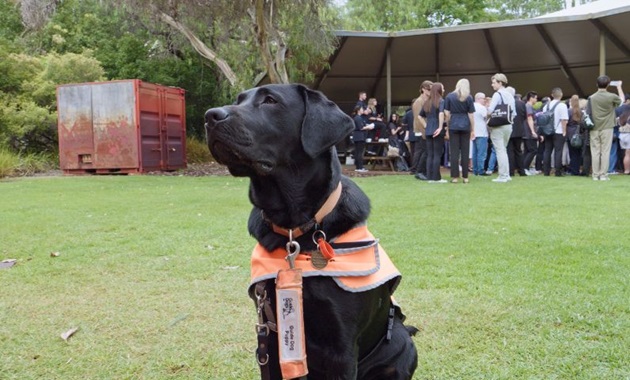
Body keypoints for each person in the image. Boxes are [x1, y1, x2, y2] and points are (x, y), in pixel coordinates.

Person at [587, 76, 624, 181]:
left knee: (595, 151)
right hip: (607, 127)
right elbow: (621, 101)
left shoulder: (591, 97)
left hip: (594, 127)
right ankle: (603, 175)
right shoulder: (611, 96)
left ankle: (595, 174)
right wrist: (619, 87)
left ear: (596, 84)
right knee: (605, 151)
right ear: (608, 85)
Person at [444, 78, 475, 183]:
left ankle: (455, 177)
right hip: (465, 125)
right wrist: (473, 129)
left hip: (453, 125)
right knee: (465, 152)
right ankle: (465, 177)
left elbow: (447, 114)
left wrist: (447, 126)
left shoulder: (449, 96)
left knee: (454, 152)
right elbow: (471, 115)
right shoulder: (469, 98)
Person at [487, 73, 515, 183]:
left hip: (498, 126)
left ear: (500, 83)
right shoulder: (510, 95)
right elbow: (514, 113)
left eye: (494, 82)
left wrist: (487, 113)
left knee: (500, 150)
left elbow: (490, 110)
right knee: (503, 149)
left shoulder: (497, 94)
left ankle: (503, 175)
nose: (492, 85)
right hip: (508, 125)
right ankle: (506, 174)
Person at [420, 82, 447, 183]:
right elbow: (441, 114)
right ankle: (436, 178)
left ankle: (430, 177)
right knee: (437, 154)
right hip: (437, 130)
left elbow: (419, 116)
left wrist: (426, 126)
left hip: (428, 131)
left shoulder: (427, 102)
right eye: (442, 88)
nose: (444, 90)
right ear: (439, 90)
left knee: (430, 154)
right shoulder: (441, 101)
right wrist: (440, 127)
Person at [541, 87, 569, 177]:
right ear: (561, 95)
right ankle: (558, 171)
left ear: (552, 95)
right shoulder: (562, 105)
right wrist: (564, 131)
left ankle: (546, 171)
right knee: (558, 151)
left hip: (547, 131)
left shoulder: (546, 106)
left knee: (547, 151)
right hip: (559, 131)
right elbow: (563, 120)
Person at [411, 81, 433, 180]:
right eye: (429, 89)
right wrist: (425, 132)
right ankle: (419, 171)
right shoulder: (418, 102)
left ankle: (421, 171)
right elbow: (418, 118)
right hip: (421, 131)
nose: (430, 91)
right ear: (423, 89)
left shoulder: (428, 100)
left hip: (426, 129)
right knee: (423, 152)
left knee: (424, 151)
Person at [508, 86, 527, 176]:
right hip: (519, 130)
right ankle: (521, 171)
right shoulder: (521, 104)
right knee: (519, 151)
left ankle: (511, 171)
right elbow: (524, 117)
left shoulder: (505, 103)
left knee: (509, 151)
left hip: (508, 129)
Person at [351, 105, 374, 173]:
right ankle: (359, 167)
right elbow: (361, 127)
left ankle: (359, 166)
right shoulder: (358, 118)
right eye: (361, 109)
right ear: (358, 110)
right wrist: (369, 127)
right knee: (359, 152)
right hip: (359, 136)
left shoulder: (358, 118)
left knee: (358, 152)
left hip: (358, 136)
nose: (362, 110)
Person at [566, 95, 584, 175]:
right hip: (579, 134)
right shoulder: (581, 112)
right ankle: (577, 169)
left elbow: (566, 122)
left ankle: (573, 170)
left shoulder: (569, 111)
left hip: (570, 134)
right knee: (578, 153)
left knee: (572, 153)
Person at [472, 92, 489, 176]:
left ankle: (475, 170)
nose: (484, 100)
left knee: (474, 153)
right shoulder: (482, 108)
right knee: (481, 153)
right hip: (482, 132)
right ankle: (481, 170)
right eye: (483, 98)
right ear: (478, 99)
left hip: (473, 132)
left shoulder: (471, 106)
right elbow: (486, 118)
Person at [522, 91, 539, 175]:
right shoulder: (528, 107)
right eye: (536, 98)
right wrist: (533, 131)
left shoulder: (527, 106)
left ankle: (525, 168)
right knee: (533, 150)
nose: (536, 99)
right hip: (528, 132)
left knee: (527, 150)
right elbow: (530, 119)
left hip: (526, 132)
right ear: (531, 98)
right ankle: (525, 167)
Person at [616, 95, 630, 174]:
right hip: (629, 135)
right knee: (628, 153)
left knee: (625, 153)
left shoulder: (620, 117)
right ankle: (627, 170)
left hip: (621, 135)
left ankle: (626, 170)